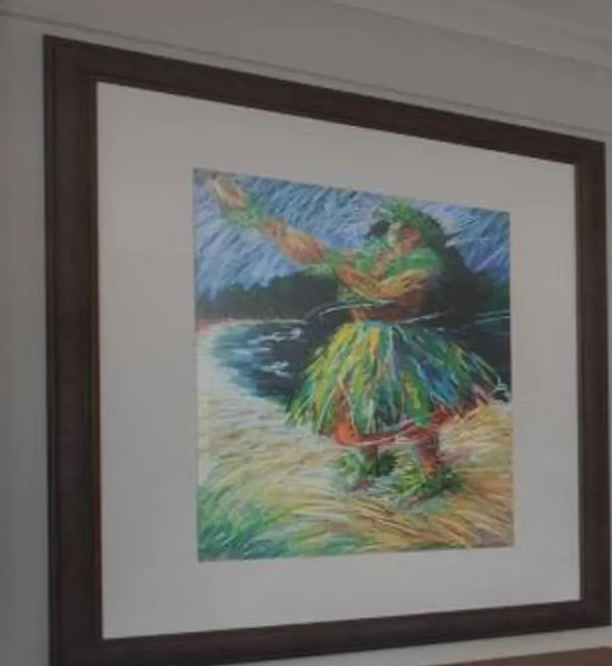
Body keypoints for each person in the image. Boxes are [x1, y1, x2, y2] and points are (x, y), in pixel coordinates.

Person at [204, 173, 504, 497]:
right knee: (357, 406)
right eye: (393, 225)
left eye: (405, 226)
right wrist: (260, 217)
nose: (395, 230)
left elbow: (389, 297)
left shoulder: (422, 261)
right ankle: (369, 463)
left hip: (398, 344)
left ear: (417, 235)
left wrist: (345, 272)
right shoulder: (369, 258)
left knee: (414, 408)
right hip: (357, 342)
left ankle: (432, 472)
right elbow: (312, 252)